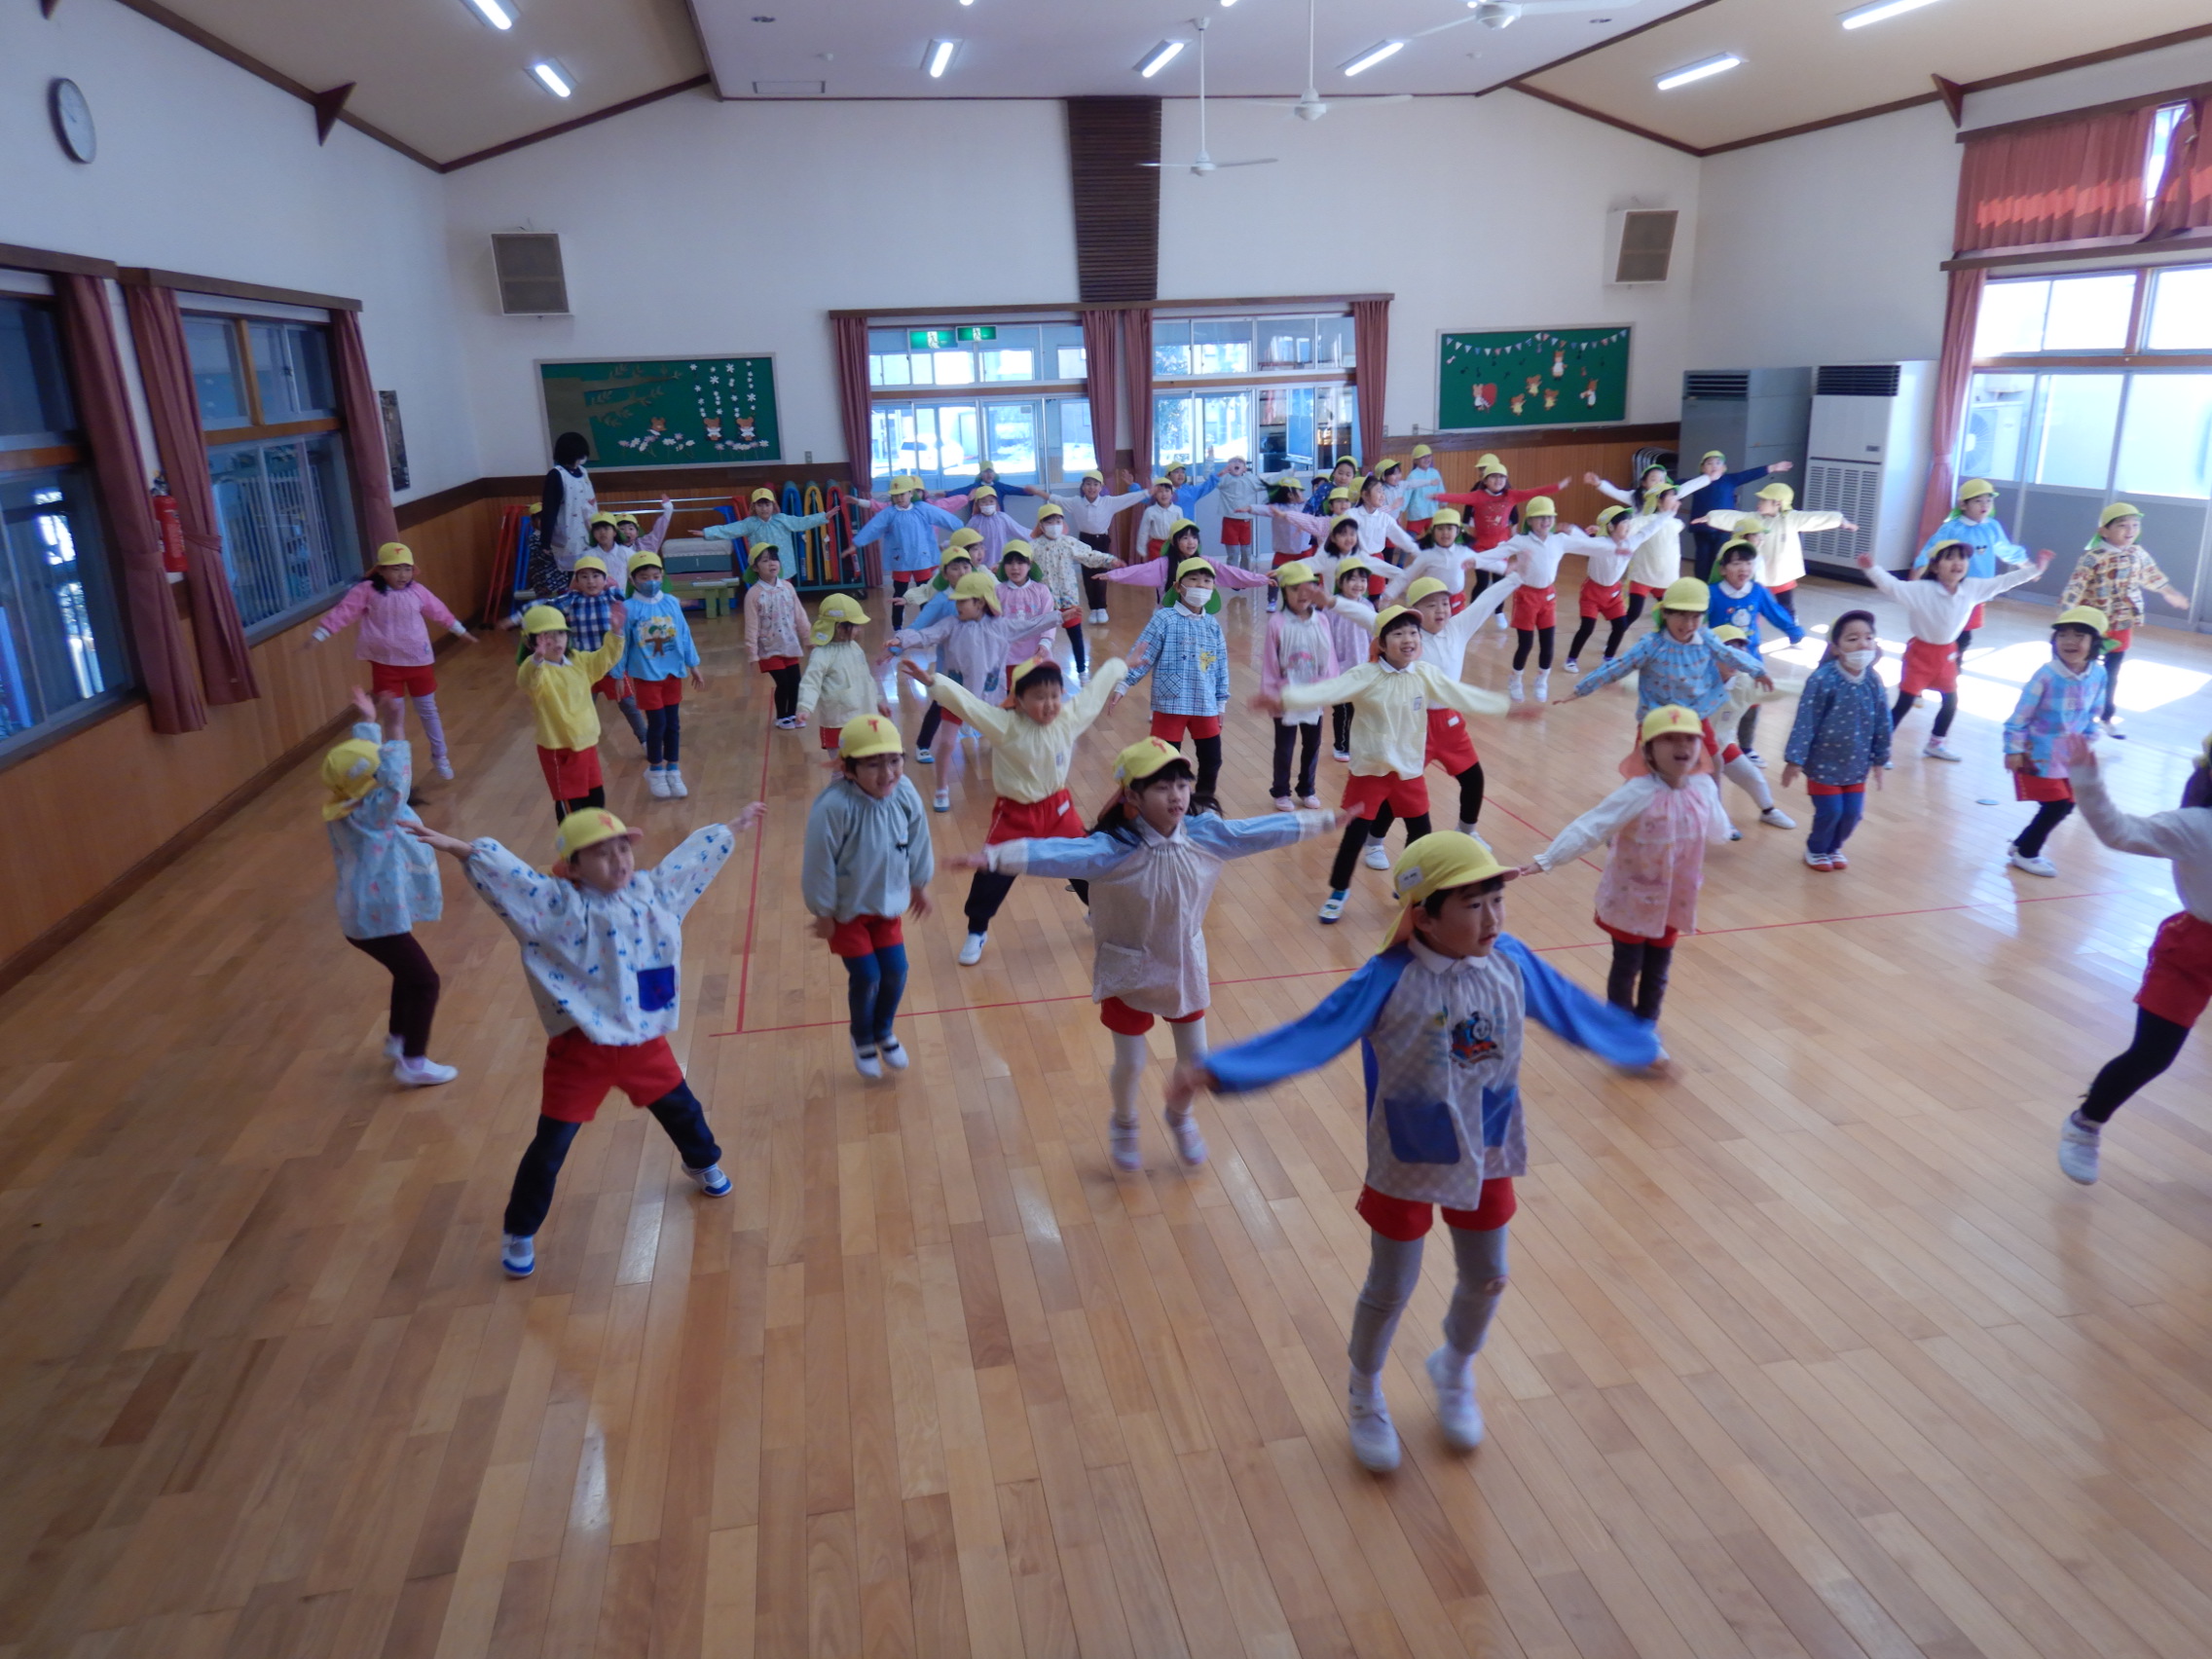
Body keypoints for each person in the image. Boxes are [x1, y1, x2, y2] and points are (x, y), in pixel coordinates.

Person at [1164, 831, 1666, 1471]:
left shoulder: (1512, 961)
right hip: (1408, 1157)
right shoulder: (1387, 978)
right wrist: (1220, 1069)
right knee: (1391, 1285)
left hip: (1487, 1147)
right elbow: (1314, 1034)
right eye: (1473, 905)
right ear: (1423, 916)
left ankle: (1453, 1366)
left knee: (1489, 1276)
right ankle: (1363, 1389)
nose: (1492, 918)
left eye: (1496, 900)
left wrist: (1639, 1048)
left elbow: (1575, 1010)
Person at [409, 801, 766, 1278]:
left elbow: (685, 866)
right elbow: (515, 880)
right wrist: (463, 850)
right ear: (573, 867)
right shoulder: (554, 908)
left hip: (643, 1043)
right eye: (602, 853)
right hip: (580, 1053)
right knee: (551, 1146)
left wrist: (729, 829)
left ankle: (702, 1162)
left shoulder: (651, 893)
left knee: (684, 1111)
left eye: (623, 849)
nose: (619, 860)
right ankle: (520, 1229)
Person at [950, 737, 1338, 1171]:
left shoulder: (1207, 834)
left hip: (1183, 966)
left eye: (1182, 785)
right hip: (1128, 969)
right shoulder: (1111, 850)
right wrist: (994, 857)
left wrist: (1325, 820)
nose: (1176, 795)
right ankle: (1124, 1121)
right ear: (1132, 796)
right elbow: (1056, 853)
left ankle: (1180, 1116)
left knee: (1195, 1063)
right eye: (1161, 787)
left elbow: (1259, 831)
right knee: (1131, 1062)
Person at [1255, 605, 1513, 922]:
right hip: (1370, 773)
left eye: (1413, 633)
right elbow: (1328, 690)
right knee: (1354, 837)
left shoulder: (1425, 673)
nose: (1409, 639)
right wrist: (1283, 699)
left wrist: (1506, 707)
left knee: (1421, 838)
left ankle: (1411, 890)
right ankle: (1338, 893)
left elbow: (1462, 694)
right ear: (1381, 643)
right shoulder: (1365, 676)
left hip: (1409, 772)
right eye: (1399, 633)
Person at [2052, 731, 2212, 1184]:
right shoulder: (2195, 826)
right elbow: (2118, 831)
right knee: (2152, 1055)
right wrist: (2086, 780)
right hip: (2192, 952)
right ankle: (2085, 1124)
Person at [900, 649, 1124, 966]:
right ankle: (977, 930)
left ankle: (1098, 913)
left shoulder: (1068, 719)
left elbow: (1094, 694)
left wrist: (1119, 664)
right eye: (1039, 697)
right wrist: (934, 682)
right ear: (1018, 700)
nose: (1049, 704)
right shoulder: (1004, 724)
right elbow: (969, 705)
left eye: (1055, 695)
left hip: (1058, 809)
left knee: (1084, 861)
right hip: (1015, 814)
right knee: (992, 871)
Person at [1522, 705, 1730, 1024]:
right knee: (1627, 967)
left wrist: (1719, 825)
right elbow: (1592, 826)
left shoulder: (1703, 788)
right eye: (1669, 739)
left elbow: (1717, 828)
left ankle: (1645, 1028)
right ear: (1648, 750)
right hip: (1631, 901)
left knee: (1658, 969)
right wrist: (1549, 859)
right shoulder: (1638, 792)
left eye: (1689, 739)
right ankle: (1619, 1030)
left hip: (1673, 901)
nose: (1682, 746)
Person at [1565, 578, 1791, 830]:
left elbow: (1730, 654)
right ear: (1665, 613)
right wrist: (1582, 689)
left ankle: (1713, 817)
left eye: (1695, 617)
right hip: (1657, 720)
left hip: (1694, 717)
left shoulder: (1705, 638)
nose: (1688, 624)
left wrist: (1758, 670)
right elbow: (1619, 666)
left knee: (1714, 763)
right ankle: (1619, 822)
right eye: (1681, 616)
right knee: (1641, 773)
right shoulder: (1651, 645)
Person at [323, 687, 456, 1087]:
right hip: (376, 917)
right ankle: (413, 1062)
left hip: (364, 914)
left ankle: (398, 1039)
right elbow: (396, 780)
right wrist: (394, 725)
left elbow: (367, 769)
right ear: (374, 783)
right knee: (426, 981)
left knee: (406, 974)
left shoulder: (350, 804)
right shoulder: (377, 811)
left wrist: (369, 722)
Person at [1337, 572, 1526, 846]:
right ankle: (1375, 840)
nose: (1441, 610)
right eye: (1431, 605)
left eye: (1445, 603)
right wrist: (1330, 601)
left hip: (1449, 722)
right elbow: (1364, 616)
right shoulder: (1408, 638)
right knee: (1399, 788)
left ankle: (1467, 831)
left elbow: (1485, 601)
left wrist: (1515, 577)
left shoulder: (1458, 628)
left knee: (1473, 778)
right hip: (1414, 725)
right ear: (1415, 611)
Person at [802, 714, 935, 1077]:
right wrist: (823, 912)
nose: (887, 773)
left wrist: (919, 883)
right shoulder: (833, 808)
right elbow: (818, 863)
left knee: (896, 972)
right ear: (848, 769)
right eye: (873, 765)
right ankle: (861, 1037)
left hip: (886, 907)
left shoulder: (904, 792)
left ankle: (884, 1030)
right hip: (847, 912)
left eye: (894, 761)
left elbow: (918, 839)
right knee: (867, 976)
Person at [885, 571, 1061, 810]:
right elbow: (925, 635)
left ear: (980, 602)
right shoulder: (951, 625)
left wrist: (1059, 616)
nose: (957, 605)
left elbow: (1031, 625)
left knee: (1009, 741)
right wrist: (901, 640)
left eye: (962, 601)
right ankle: (941, 788)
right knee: (946, 743)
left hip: (991, 697)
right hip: (956, 696)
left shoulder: (1001, 626)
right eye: (956, 600)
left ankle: (1022, 781)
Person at [1862, 541, 2049, 762]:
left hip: (1947, 656)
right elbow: (1892, 586)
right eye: (1949, 558)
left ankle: (1936, 743)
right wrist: (1871, 568)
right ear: (1935, 566)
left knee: (1950, 701)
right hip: (1920, 655)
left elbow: (2004, 581)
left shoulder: (1972, 588)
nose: (1957, 563)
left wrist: (2036, 569)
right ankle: (1879, 747)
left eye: (1962, 558)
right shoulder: (1921, 590)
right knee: (1905, 702)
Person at [310, 541, 475, 780]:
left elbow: (439, 611)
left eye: (407, 569)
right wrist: (320, 634)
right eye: (396, 569)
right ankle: (398, 767)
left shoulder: (417, 591)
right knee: (393, 716)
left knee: (428, 711)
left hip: (419, 663)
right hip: (385, 665)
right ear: (381, 570)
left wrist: (460, 631)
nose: (403, 575)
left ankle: (440, 756)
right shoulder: (367, 590)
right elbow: (344, 612)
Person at [1113, 558, 1237, 804]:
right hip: (1170, 703)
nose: (1200, 586)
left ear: (1213, 588)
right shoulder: (1164, 618)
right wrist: (1124, 683)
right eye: (1194, 580)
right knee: (1164, 762)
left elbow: (1220, 666)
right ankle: (1165, 806)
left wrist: (1221, 702)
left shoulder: (1212, 625)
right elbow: (1143, 653)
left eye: (1207, 581)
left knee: (1212, 759)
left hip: (1205, 703)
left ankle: (1203, 804)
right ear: (1178, 586)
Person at [2060, 502, 2193, 732]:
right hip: (2094, 623)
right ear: (2103, 530)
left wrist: (2170, 592)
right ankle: (2077, 713)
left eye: (2135, 525)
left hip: (2123, 621)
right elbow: (2076, 586)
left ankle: (2105, 715)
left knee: (2112, 671)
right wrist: (2066, 615)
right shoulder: (2093, 557)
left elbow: (2152, 575)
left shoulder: (2137, 553)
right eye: (2123, 525)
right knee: (2085, 668)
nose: (2130, 530)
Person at [2003, 607, 2110, 878]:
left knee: (2066, 803)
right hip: (2038, 754)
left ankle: (2022, 845)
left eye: (2079, 636)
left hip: (2069, 756)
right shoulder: (2046, 675)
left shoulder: (2098, 674)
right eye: (2063, 635)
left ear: (2094, 643)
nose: (2069, 642)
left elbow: (2094, 712)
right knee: (2056, 805)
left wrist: (2088, 740)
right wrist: (2014, 749)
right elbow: (2019, 717)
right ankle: (2027, 853)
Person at [501, 550, 649, 748]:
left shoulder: (613, 597)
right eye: (584, 577)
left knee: (628, 704)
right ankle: (578, 740)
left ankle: (645, 739)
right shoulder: (572, 600)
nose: (590, 581)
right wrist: (516, 618)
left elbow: (636, 607)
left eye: (596, 575)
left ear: (605, 579)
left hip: (610, 665)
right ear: (576, 581)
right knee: (580, 704)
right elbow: (542, 605)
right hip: (581, 667)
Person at [1782, 610, 1889, 870]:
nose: (1863, 644)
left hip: (1856, 765)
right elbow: (1806, 720)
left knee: (1852, 814)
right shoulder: (1822, 679)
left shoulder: (1873, 680)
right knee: (1830, 811)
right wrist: (1795, 759)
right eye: (1852, 639)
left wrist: (1880, 758)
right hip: (1823, 764)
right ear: (1836, 647)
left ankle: (1833, 847)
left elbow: (1882, 721)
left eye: (1868, 638)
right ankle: (1817, 849)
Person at [516, 599, 625, 823]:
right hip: (559, 749)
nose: (556, 640)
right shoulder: (538, 671)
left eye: (560, 634)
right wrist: (537, 657)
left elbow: (605, 658)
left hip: (586, 744)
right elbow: (528, 679)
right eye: (546, 637)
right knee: (571, 809)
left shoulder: (579, 662)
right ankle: (573, 845)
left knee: (596, 800)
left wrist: (616, 633)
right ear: (530, 642)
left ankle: (596, 839)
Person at [1705, 538, 1807, 759]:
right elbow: (1698, 622)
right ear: (1722, 569)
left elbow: (1774, 612)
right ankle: (1712, 741)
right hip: (1720, 663)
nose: (1744, 568)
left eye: (1748, 563)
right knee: (1717, 703)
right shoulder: (1712, 593)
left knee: (1752, 702)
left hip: (1751, 659)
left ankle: (1746, 747)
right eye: (1736, 563)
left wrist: (1792, 629)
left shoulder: (1757, 591)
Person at [618, 546, 706, 798]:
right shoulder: (628, 608)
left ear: (662, 576)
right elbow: (621, 643)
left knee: (673, 724)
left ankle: (673, 769)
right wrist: (618, 674)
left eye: (655, 576)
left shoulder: (670, 602)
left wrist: (693, 664)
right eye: (644, 577)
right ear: (633, 579)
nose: (651, 581)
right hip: (647, 676)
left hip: (672, 674)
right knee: (657, 724)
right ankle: (656, 770)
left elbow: (684, 634)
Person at [1695, 482, 1853, 616]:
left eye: (1764, 500)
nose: (1759, 502)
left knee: (1786, 605)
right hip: (1759, 574)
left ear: (1777, 503)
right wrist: (1711, 517)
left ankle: (1793, 630)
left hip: (1782, 574)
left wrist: (1839, 520)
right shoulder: (1754, 518)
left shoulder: (1792, 518)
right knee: (1752, 604)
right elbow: (1735, 518)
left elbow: (1814, 518)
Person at [1260, 560, 1340, 810]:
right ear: (1285, 591)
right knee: (1284, 747)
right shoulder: (1277, 623)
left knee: (1312, 744)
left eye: (1308, 588)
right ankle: (1281, 790)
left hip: (1313, 695)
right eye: (1295, 589)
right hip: (1287, 696)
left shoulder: (1322, 620)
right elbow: (1270, 662)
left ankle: (1307, 788)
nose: (1302, 594)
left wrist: (1329, 688)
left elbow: (1330, 657)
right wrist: (1272, 694)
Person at [850, 476, 963, 628]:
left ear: (910, 493)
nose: (899, 498)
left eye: (902, 494)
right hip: (901, 561)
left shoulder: (923, 509)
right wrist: (857, 542)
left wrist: (962, 529)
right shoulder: (889, 513)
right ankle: (897, 627)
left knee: (925, 593)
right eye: (896, 495)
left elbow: (944, 517)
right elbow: (873, 528)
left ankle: (926, 625)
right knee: (899, 594)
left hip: (921, 560)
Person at [1040, 469, 1147, 623]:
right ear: (1083, 487)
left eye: (1095, 484)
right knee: (1088, 575)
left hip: (1101, 540)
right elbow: (1056, 499)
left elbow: (1129, 498)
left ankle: (1101, 607)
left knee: (1101, 573)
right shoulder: (1076, 502)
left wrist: (1148, 491)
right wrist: (1036, 491)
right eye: (1088, 484)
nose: (1091, 487)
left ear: (1101, 487)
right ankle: (1093, 608)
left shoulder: (1108, 502)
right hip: (1084, 541)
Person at [1100, 519, 1272, 615]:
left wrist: (1261, 579)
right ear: (1174, 542)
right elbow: (1139, 571)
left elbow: (1232, 573)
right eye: (1185, 538)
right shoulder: (1163, 564)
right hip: (1170, 615)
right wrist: (1112, 575)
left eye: (1194, 538)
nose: (1191, 542)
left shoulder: (1205, 562)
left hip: (1197, 615)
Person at [1557, 506, 1655, 673]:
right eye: (1624, 523)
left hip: (1613, 593)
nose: (1628, 527)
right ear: (1611, 527)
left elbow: (1648, 530)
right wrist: (1571, 529)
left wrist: (1667, 514)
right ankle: (1571, 660)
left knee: (1620, 625)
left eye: (1629, 523)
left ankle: (1608, 658)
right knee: (1587, 627)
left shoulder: (1631, 543)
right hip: (1592, 592)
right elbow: (1583, 541)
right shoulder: (1600, 544)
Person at [1026, 500, 1119, 674]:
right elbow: (1019, 561)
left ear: (1063, 523)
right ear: (1041, 525)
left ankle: (1082, 671)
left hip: (1068, 598)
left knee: (1076, 636)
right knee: (1043, 639)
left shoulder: (1068, 542)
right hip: (1045, 602)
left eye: (1058, 521)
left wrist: (1109, 560)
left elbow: (1089, 555)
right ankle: (1040, 672)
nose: (1054, 525)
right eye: (1049, 522)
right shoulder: (1033, 546)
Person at [795, 592, 893, 753]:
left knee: (864, 758)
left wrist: (877, 700)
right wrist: (805, 707)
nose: (859, 630)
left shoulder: (854, 647)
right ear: (839, 627)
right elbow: (811, 682)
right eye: (855, 626)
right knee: (841, 763)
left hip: (864, 714)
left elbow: (865, 678)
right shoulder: (821, 654)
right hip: (839, 720)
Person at [1684, 451, 1794, 576]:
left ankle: (1720, 582)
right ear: (1702, 468)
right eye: (1709, 463)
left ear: (1724, 468)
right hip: (1702, 529)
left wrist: (1772, 468)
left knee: (1721, 557)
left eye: (1718, 463)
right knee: (1702, 561)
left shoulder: (1729, 480)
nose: (1714, 465)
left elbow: (1748, 475)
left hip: (1724, 529)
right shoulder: (1697, 483)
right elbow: (1677, 486)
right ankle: (1701, 585)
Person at [702, 486, 833, 576]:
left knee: (783, 594)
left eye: (767, 504)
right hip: (762, 568)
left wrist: (823, 517)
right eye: (759, 505)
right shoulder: (750, 523)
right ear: (754, 507)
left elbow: (802, 522)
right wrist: (706, 533)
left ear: (773, 505)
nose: (764, 509)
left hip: (783, 566)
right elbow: (729, 530)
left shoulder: (782, 520)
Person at [743, 545, 808, 727]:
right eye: (765, 560)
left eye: (774, 559)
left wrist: (808, 638)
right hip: (769, 648)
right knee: (783, 682)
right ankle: (782, 717)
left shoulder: (787, 587)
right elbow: (751, 626)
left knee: (795, 682)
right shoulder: (754, 594)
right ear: (755, 568)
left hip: (790, 645)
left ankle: (792, 714)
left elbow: (800, 615)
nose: (772, 563)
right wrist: (752, 654)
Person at [529, 430, 597, 598]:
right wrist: (545, 542)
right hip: (567, 535)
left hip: (587, 532)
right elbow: (550, 509)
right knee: (572, 577)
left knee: (589, 572)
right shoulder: (557, 474)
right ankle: (572, 606)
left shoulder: (583, 472)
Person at [1211, 455, 1269, 569]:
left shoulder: (1250, 479)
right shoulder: (1224, 479)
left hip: (1246, 521)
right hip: (1229, 521)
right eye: (1233, 461)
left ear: (1245, 468)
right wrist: (1210, 458)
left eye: (1240, 462)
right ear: (1228, 467)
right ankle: (1232, 574)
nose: (1237, 463)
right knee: (1233, 552)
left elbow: (1267, 485)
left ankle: (1245, 574)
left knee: (1246, 551)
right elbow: (1208, 478)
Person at [1399, 444, 1444, 538]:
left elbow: (1440, 490)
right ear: (1415, 460)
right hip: (1417, 514)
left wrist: (1443, 503)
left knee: (1434, 540)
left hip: (1432, 512)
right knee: (1409, 540)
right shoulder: (1413, 475)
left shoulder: (1435, 473)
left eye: (1428, 456)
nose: (1427, 459)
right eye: (1423, 457)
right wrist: (1401, 510)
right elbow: (1406, 495)